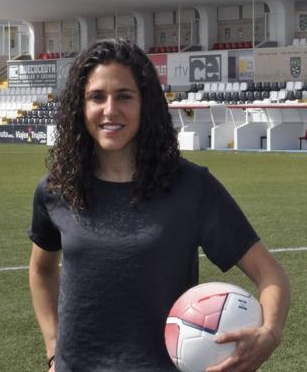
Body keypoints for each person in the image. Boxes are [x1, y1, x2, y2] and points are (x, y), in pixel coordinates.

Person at [28, 38, 290, 372]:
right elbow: (41, 269)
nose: (110, 110)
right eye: (97, 97)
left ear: (145, 104)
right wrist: (53, 350)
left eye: (124, 96)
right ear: (80, 107)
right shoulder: (57, 188)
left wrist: (269, 333)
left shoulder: (192, 187)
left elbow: (271, 275)